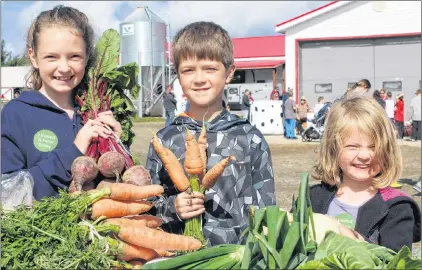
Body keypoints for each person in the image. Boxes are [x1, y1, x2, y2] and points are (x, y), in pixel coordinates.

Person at [146, 21, 276, 246]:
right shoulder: (164, 140)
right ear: (177, 75)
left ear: (229, 73)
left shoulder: (250, 138)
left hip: (236, 257)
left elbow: (267, 209)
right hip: (179, 256)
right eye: (188, 70)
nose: (198, 79)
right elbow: (148, 206)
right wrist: (172, 208)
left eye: (210, 69)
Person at [1, 5, 122, 201]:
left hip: (101, 229)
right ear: (33, 56)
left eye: (74, 56)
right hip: (42, 230)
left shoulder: (94, 113)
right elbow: (7, 194)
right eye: (51, 57)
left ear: (88, 55)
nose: (64, 67)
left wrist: (117, 147)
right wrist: (74, 151)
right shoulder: (15, 115)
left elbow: (119, 190)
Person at [310, 96, 421, 252]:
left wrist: (355, 241)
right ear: (333, 149)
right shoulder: (312, 198)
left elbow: (395, 262)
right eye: (352, 146)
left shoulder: (397, 208)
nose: (364, 155)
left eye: (373, 146)